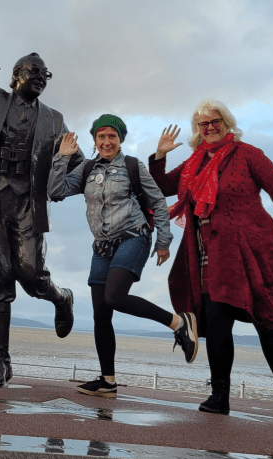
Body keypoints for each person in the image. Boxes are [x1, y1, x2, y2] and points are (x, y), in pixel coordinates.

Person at [148, 100, 273, 424]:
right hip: (210, 254)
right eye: (203, 123)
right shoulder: (194, 162)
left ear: (226, 122)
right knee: (217, 322)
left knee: (269, 322)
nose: (209, 127)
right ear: (198, 129)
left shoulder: (249, 154)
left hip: (251, 250)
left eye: (215, 121)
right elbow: (164, 187)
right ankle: (220, 396)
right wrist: (160, 156)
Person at [0, 47, 84, 387]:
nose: (40, 78)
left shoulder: (54, 119)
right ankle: (1, 358)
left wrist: (67, 182)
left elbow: (79, 163)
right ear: (16, 75)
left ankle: (61, 297)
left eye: (45, 75)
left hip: (27, 203)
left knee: (31, 274)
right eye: (34, 72)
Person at [49, 114, 199, 398]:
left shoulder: (132, 165)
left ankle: (179, 322)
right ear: (95, 140)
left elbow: (158, 201)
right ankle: (108, 381)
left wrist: (164, 241)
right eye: (101, 137)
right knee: (101, 314)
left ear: (120, 140)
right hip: (102, 246)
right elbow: (55, 191)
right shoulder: (86, 168)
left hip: (133, 237)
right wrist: (62, 157)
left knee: (114, 297)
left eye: (112, 136)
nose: (107, 142)